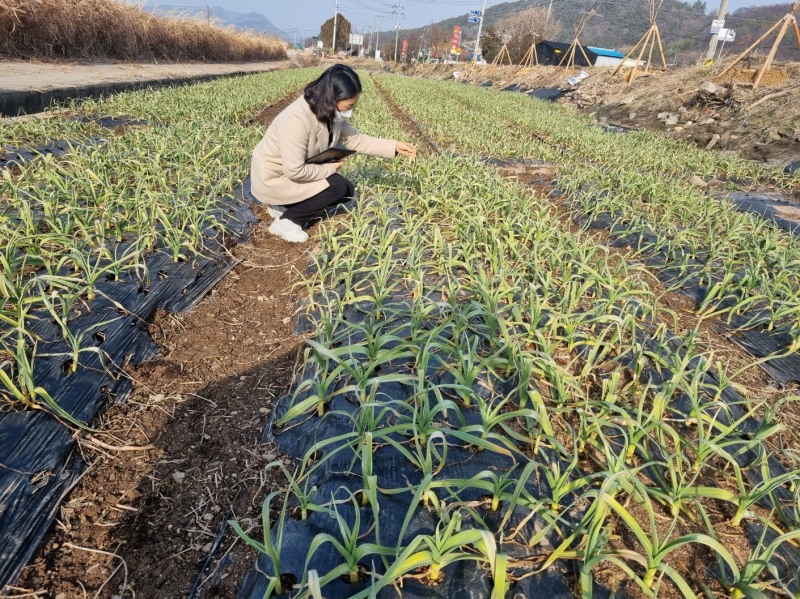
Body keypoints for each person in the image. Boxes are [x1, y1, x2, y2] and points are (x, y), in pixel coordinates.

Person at [250, 64, 417, 243]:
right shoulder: (296, 120)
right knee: (338, 187)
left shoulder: (329, 112)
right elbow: (294, 170)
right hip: (275, 178)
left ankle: (283, 206)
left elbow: (355, 140)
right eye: (349, 106)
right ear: (331, 98)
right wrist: (329, 169)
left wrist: (394, 146)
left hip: (293, 171)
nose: (350, 112)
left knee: (346, 190)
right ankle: (287, 221)